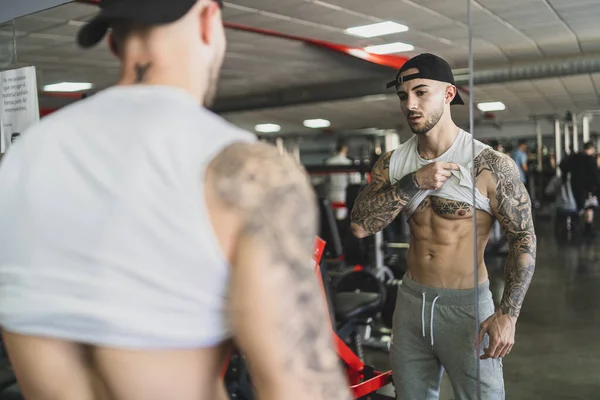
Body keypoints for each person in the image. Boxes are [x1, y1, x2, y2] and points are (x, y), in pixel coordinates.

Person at [0, 1, 352, 400]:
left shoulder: (20, 160)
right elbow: (302, 388)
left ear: (114, 41)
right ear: (209, 20)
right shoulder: (248, 172)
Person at [350, 53, 537, 400]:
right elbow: (360, 226)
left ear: (449, 94)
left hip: (467, 309)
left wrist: (508, 314)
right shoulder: (394, 163)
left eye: (421, 92)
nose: (411, 104)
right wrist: (413, 182)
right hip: (410, 305)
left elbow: (523, 238)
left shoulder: (489, 164)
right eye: (404, 96)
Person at [560, 142, 600, 236]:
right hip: (588, 187)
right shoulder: (590, 160)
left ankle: (576, 227)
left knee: (578, 207)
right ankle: (587, 229)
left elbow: (564, 167)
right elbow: (595, 176)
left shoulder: (574, 157)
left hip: (575, 186)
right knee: (589, 207)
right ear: (592, 149)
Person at [324, 138, 361, 220]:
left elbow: (325, 180)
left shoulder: (329, 162)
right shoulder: (347, 163)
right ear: (345, 148)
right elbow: (354, 181)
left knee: (332, 220)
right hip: (343, 195)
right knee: (342, 220)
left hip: (331, 194)